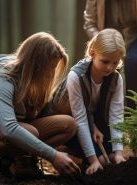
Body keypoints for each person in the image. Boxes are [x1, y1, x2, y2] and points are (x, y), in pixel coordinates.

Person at [0, 32, 81, 184]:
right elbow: (9, 127)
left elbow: (30, 116)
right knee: (30, 131)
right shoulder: (2, 78)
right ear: (35, 64)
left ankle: (25, 166)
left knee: (68, 125)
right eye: (49, 68)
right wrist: (53, 156)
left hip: (5, 127)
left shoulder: (29, 78)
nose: (51, 73)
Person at [49, 28, 126, 175]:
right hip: (68, 123)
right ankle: (66, 151)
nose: (110, 67)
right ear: (92, 53)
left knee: (111, 158)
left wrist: (118, 153)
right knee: (101, 162)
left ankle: (83, 158)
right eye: (105, 61)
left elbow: (116, 117)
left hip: (92, 120)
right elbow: (80, 120)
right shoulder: (76, 77)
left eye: (115, 62)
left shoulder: (116, 79)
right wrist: (93, 161)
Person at [83, 0, 137, 112]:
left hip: (134, 38)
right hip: (107, 39)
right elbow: (90, 22)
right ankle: (103, 115)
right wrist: (102, 40)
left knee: (135, 63)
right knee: (105, 67)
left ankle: (132, 116)